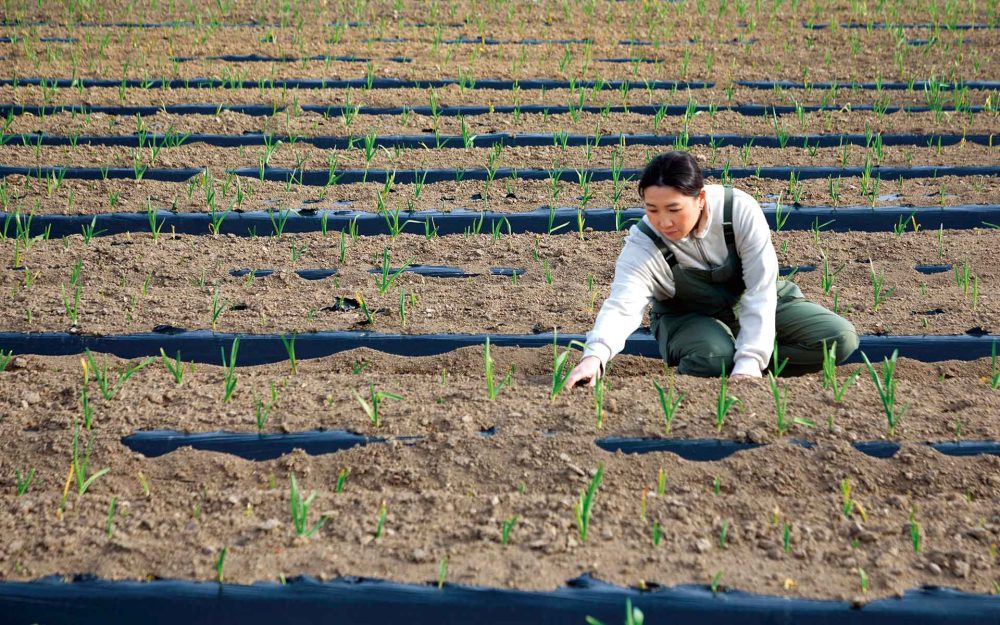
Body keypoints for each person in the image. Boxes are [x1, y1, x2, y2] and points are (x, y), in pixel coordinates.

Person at [564, 151, 858, 389]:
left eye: (674, 209)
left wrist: (749, 364)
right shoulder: (644, 245)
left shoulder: (737, 211)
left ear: (700, 198)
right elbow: (622, 306)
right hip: (689, 317)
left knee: (838, 338)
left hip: (750, 302)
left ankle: (744, 361)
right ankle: (718, 369)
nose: (663, 222)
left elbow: (761, 288)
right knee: (714, 358)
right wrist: (595, 357)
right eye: (652, 210)